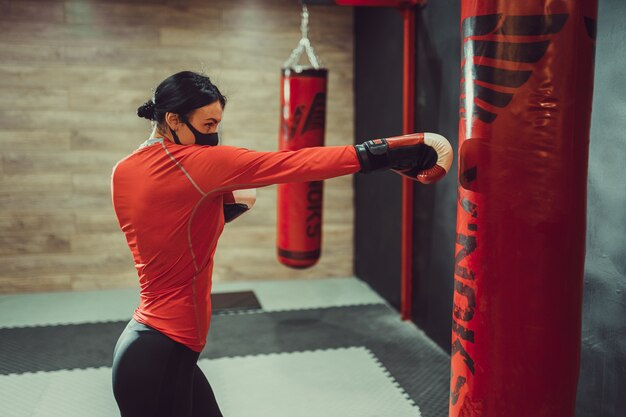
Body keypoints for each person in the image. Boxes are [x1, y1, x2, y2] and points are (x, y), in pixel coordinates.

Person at [110, 70, 452, 417]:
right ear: (173, 119)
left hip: (151, 347)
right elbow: (294, 164)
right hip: (163, 353)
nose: (213, 135)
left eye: (217, 124)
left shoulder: (124, 170)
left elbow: (170, 233)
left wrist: (216, 212)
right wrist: (381, 154)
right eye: (208, 124)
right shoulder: (197, 166)